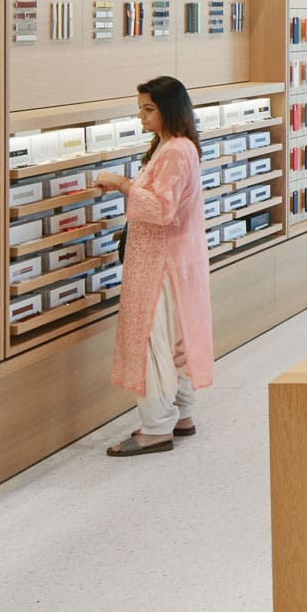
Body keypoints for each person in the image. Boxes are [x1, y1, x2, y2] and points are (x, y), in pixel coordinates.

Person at [94, 77, 212, 457]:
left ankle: (156, 428)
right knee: (172, 339)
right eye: (140, 108)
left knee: (149, 339)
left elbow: (163, 209)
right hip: (168, 258)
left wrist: (122, 184)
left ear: (169, 110)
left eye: (149, 109)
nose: (141, 116)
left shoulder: (176, 151)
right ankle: (181, 415)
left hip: (160, 262)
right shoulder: (173, 145)